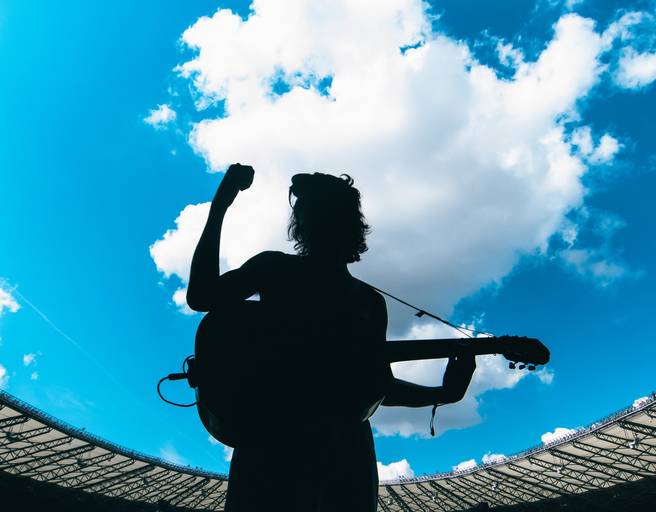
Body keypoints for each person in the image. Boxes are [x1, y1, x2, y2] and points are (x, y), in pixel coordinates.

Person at [187, 163, 477, 511]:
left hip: (292, 446)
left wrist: (221, 205)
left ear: (303, 225)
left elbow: (376, 385)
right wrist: (443, 393)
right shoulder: (359, 299)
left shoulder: (291, 275)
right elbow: (379, 387)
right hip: (308, 446)